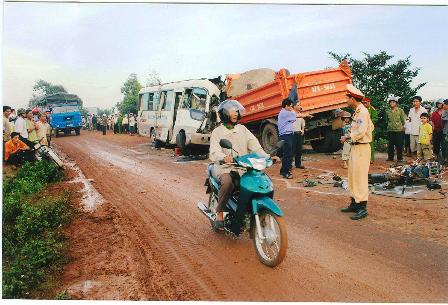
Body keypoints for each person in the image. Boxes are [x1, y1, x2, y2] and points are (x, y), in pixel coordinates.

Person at [209, 100, 279, 230]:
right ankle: (219, 212)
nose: (235, 113)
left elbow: (255, 147)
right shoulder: (217, 132)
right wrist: (224, 157)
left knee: (257, 181)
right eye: (232, 110)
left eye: (236, 110)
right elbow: (213, 152)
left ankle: (247, 211)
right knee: (228, 182)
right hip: (225, 167)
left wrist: (268, 157)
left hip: (242, 166)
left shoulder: (243, 129)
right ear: (224, 113)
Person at [340, 84, 374, 221]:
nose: (346, 100)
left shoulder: (363, 112)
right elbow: (370, 126)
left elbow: (361, 131)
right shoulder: (358, 111)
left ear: (353, 98)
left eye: (347, 98)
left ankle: (362, 207)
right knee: (353, 176)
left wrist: (347, 137)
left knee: (360, 178)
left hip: (361, 147)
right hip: (356, 147)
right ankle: (354, 202)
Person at [385, 96, 407, 162]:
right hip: (390, 130)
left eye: (393, 102)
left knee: (399, 145)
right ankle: (390, 158)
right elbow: (387, 120)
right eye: (390, 102)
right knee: (390, 145)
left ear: (396, 103)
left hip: (399, 130)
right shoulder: (387, 111)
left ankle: (399, 158)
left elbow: (403, 120)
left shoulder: (400, 110)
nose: (392, 103)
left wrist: (403, 127)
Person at [362, 97, 378, 163]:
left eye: (365, 103)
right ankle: (364, 158)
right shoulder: (362, 109)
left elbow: (375, 118)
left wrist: (368, 122)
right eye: (363, 103)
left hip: (370, 129)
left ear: (369, 102)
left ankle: (371, 158)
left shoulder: (372, 109)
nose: (364, 104)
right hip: (362, 129)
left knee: (370, 144)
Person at [292, 103, 306, 169]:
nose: (299, 106)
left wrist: (302, 130)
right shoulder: (291, 113)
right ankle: (289, 165)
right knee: (291, 150)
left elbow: (302, 122)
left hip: (299, 133)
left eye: (300, 105)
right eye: (298, 105)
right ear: (294, 106)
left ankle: (298, 164)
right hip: (292, 134)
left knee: (299, 150)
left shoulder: (300, 114)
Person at [441, 99, 448, 166]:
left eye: (444, 104)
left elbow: (443, 118)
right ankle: (445, 159)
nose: (443, 106)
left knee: (445, 147)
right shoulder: (445, 111)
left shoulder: (445, 112)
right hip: (445, 132)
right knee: (444, 147)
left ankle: (446, 160)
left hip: (447, 133)